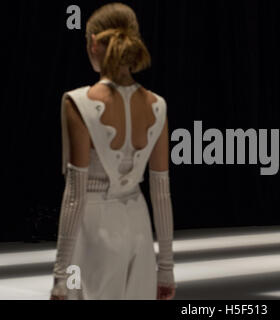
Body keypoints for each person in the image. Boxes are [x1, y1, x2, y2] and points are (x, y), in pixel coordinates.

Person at [50, 3, 176, 300]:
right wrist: (167, 268)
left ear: (94, 42)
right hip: (139, 225)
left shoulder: (79, 103)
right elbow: (161, 192)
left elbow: (74, 195)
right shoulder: (157, 106)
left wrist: (60, 276)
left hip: (94, 227)